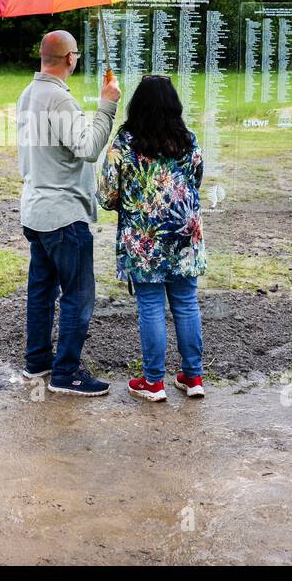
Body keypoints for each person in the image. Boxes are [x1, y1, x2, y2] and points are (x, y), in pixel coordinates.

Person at [16, 29, 121, 396]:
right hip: (63, 215)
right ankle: (66, 373)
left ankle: (37, 362)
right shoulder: (59, 100)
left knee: (42, 292)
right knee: (78, 294)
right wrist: (107, 105)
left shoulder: (29, 94)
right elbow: (88, 148)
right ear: (70, 59)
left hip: (36, 210)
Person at [96, 75, 206, 401]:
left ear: (137, 105)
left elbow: (105, 194)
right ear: (174, 105)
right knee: (186, 303)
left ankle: (154, 382)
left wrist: (130, 204)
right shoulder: (189, 140)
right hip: (184, 234)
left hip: (144, 239)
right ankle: (193, 377)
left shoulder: (125, 143)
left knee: (151, 306)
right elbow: (196, 179)